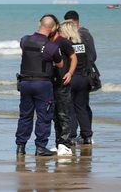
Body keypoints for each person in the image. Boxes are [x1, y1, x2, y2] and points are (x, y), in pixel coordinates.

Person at [15, 14, 63, 156]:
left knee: (25, 115)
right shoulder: (51, 47)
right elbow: (60, 64)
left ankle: (20, 146)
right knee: (44, 116)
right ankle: (40, 147)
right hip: (42, 83)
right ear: (53, 28)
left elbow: (26, 52)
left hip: (25, 83)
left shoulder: (25, 40)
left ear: (39, 24)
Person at [63, 10, 97, 145]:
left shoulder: (67, 41)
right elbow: (93, 56)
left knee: (70, 107)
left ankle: (71, 136)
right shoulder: (86, 36)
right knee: (83, 107)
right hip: (85, 77)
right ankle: (87, 136)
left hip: (71, 77)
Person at [49, 20, 78, 156]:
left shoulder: (63, 42)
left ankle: (65, 144)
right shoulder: (45, 42)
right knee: (55, 115)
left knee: (63, 114)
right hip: (50, 83)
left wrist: (70, 73)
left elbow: (73, 57)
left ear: (56, 27)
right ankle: (58, 143)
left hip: (63, 83)